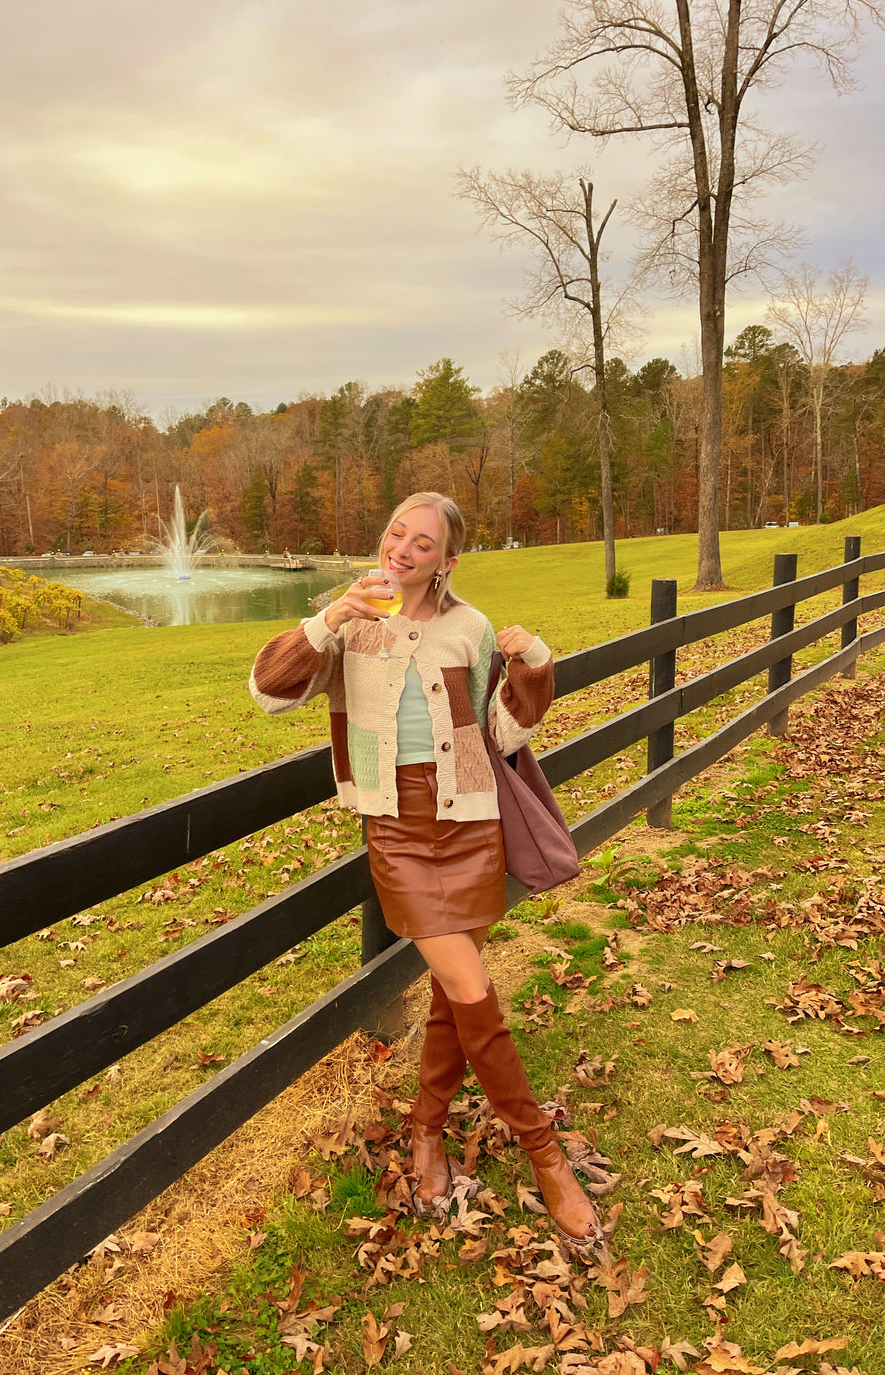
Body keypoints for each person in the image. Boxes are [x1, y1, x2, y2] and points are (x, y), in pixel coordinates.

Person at [249, 492, 605, 1257]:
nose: (402, 549)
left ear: (447, 560)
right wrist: (328, 619)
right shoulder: (351, 623)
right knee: (470, 984)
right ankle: (545, 1153)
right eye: (395, 534)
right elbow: (269, 694)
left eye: (423, 542)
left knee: (456, 984)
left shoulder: (470, 629)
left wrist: (535, 667)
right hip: (398, 826)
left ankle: (428, 1129)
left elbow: (502, 731)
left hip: (468, 814)